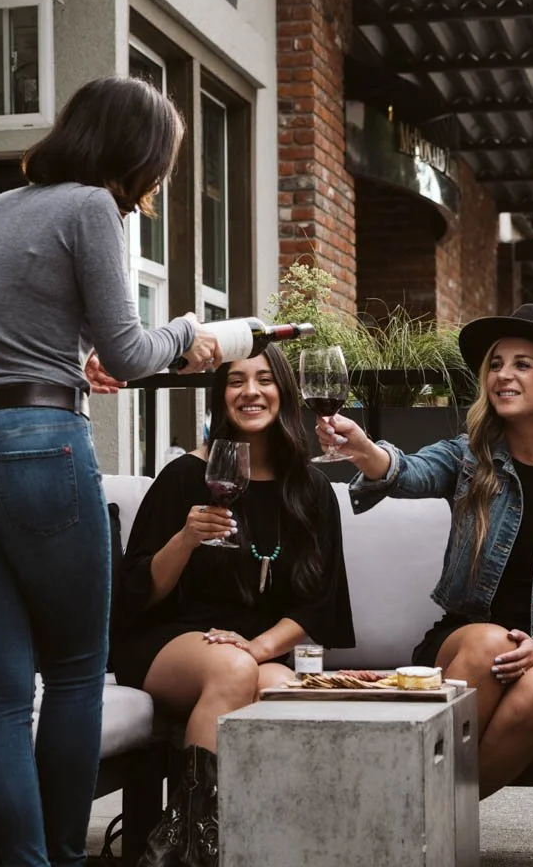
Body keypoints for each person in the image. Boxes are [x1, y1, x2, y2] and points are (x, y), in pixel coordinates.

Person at [0, 76, 220, 867]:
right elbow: (130, 351)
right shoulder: (91, 208)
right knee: (80, 670)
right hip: (41, 449)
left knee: (1, 691)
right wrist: (188, 332)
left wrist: (47, 371)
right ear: (139, 153)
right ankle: (61, 855)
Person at [317, 304, 533, 795]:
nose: (502, 374)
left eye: (522, 364)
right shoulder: (468, 457)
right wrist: (363, 449)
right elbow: (407, 471)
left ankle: (421, 814)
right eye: (496, 364)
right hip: (466, 639)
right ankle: (421, 822)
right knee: (490, 643)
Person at [114, 348, 353, 867]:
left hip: (253, 650)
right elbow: (136, 595)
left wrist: (259, 646)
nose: (250, 391)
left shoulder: (310, 489)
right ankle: (197, 854)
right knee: (234, 669)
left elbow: (321, 604)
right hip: (168, 640)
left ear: (284, 393)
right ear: (220, 397)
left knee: (284, 692)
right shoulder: (185, 476)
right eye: (235, 381)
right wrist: (185, 538)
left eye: (265, 380)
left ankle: (258, 846)